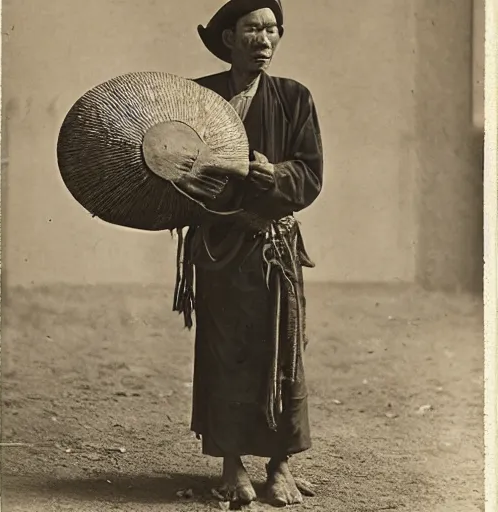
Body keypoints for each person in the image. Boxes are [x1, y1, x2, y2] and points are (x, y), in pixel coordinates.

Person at [173, 0, 323, 507]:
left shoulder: (294, 98)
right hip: (219, 245)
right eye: (252, 30)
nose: (264, 39)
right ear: (228, 38)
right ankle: (232, 464)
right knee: (224, 350)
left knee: (282, 350)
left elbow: (311, 173)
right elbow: (174, 164)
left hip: (272, 247)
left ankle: (280, 466)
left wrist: (275, 175)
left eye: (272, 30)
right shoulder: (199, 97)